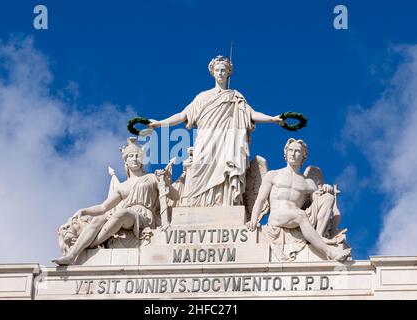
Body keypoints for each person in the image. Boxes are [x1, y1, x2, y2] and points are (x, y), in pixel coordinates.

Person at [149, 55, 284, 207]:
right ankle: (194, 206)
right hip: (205, 141)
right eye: (217, 70)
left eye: (223, 70)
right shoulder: (202, 97)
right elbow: (182, 115)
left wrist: (273, 119)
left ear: (229, 72)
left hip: (227, 143)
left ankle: (224, 204)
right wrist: (159, 123)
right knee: (197, 169)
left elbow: (251, 114)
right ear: (212, 72)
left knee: (225, 171)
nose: (220, 73)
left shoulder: (235, 96)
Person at [52, 138, 179, 265]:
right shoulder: (122, 186)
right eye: (131, 156)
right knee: (98, 219)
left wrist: (167, 183)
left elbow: (176, 196)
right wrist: (84, 210)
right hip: (127, 215)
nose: (134, 159)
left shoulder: (151, 178)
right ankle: (72, 255)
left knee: (121, 213)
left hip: (144, 217)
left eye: (137, 156)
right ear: (126, 160)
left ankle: (90, 244)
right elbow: (103, 207)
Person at [246, 138, 351, 262]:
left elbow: (320, 204)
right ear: (285, 153)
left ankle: (319, 236)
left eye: (297, 151)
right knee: (300, 215)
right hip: (278, 216)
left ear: (303, 156)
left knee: (327, 198)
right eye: (290, 150)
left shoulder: (309, 182)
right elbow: (260, 199)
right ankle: (329, 252)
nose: (293, 154)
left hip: (298, 217)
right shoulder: (273, 175)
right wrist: (253, 220)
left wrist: (327, 191)